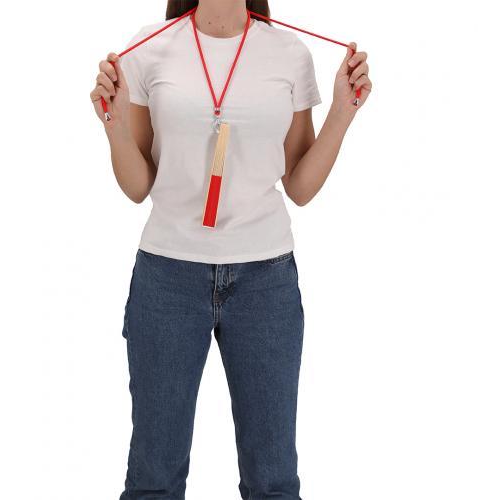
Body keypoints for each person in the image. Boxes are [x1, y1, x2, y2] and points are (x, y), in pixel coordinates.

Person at [90, 0, 372, 498]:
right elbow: (137, 186)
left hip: (266, 282)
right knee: (153, 480)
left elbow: (300, 186)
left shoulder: (288, 51)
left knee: (273, 482)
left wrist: (342, 114)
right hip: (167, 277)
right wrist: (113, 126)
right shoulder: (149, 47)